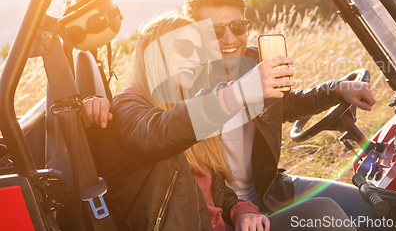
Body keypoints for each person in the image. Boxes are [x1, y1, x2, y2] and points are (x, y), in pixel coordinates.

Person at [84, 12, 355, 231]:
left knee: (322, 212)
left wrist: (241, 211)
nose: (195, 57)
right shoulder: (127, 106)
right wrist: (239, 92)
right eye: (184, 47)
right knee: (324, 214)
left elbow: (212, 187)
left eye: (200, 51)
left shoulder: (182, 104)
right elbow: (156, 134)